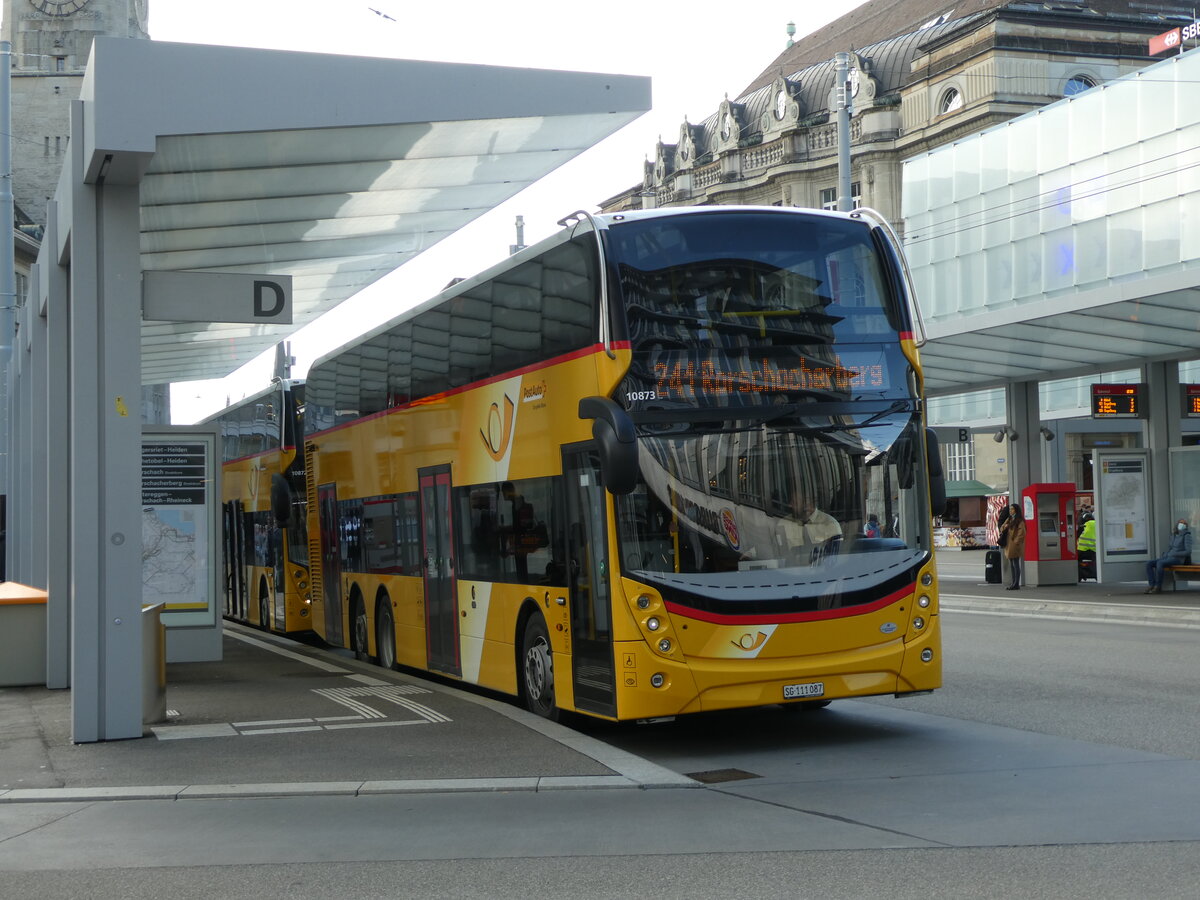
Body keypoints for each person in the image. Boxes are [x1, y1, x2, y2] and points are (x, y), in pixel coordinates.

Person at [1144, 517, 1193, 594]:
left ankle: (1158, 586)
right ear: (1177, 524)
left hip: (1178, 559)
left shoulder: (1187, 536)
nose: (1182, 525)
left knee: (1160, 563)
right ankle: (1151, 585)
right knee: (1149, 563)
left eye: (1184, 523)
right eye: (1181, 523)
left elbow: (1188, 551)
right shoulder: (1173, 535)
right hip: (1168, 557)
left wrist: (1175, 554)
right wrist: (1166, 554)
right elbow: (1170, 548)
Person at [1000, 504, 1026, 590]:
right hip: (1009, 544)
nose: (1010, 511)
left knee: (1015, 563)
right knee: (1012, 563)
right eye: (1010, 509)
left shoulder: (1019, 520)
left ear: (1016, 510)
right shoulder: (1010, 519)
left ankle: (1016, 583)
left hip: (1014, 544)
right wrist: (1005, 526)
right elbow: (1002, 528)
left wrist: (1016, 542)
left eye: (1012, 509)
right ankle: (1013, 582)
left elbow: (1022, 532)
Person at [1076, 513, 1097, 581]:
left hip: (1082, 550)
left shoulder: (1083, 526)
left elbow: (1076, 536)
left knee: (1076, 560)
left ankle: (1080, 574)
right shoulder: (1098, 524)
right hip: (1095, 551)